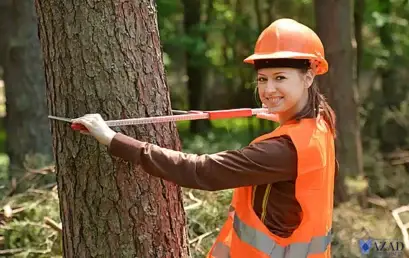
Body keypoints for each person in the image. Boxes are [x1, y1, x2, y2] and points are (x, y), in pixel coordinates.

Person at [72, 18, 336, 258]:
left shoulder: (283, 150)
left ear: (308, 77)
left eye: (280, 78)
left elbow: (202, 171)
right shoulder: (320, 125)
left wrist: (114, 139)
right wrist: (285, 114)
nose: (268, 89)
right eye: (262, 79)